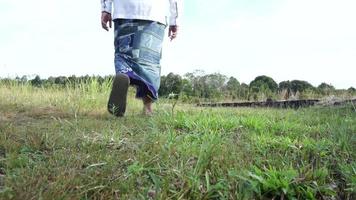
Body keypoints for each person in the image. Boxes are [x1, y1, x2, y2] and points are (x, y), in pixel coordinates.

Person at [100, 0, 181, 117]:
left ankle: (124, 73)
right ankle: (147, 108)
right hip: (154, 12)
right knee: (149, 63)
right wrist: (175, 21)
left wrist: (106, 9)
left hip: (124, 10)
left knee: (124, 54)